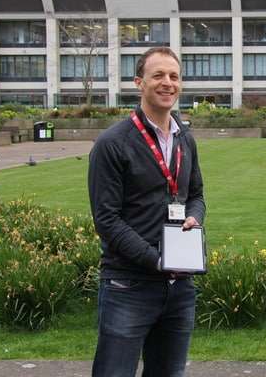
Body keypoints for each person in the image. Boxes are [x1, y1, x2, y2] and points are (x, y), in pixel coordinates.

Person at [88, 47, 205, 377]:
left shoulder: (185, 140)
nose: (167, 83)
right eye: (158, 75)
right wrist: (155, 259)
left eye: (174, 76)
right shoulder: (112, 144)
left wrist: (195, 217)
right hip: (129, 284)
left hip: (179, 286)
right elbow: (107, 220)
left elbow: (195, 194)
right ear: (139, 82)